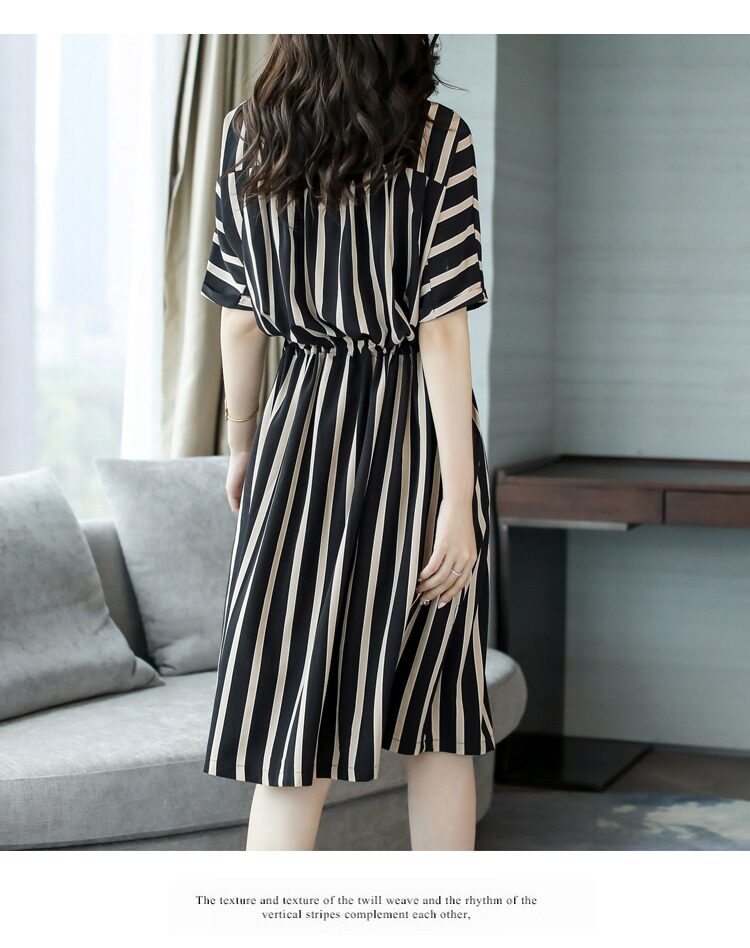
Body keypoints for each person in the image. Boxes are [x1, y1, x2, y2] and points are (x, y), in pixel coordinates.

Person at [199, 34, 495, 852]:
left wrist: (243, 444)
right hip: (417, 441)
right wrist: (458, 502)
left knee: (292, 736)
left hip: (300, 431)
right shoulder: (439, 137)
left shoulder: (244, 134)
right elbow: (441, 330)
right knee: (438, 721)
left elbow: (239, 320)